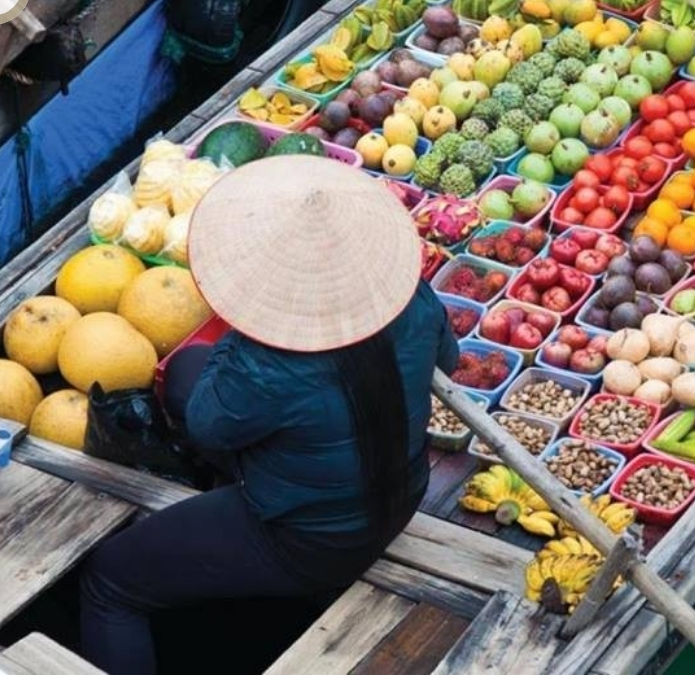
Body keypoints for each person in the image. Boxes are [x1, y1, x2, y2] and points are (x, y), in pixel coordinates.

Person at [79, 154, 459, 674]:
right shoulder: (411, 298)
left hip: (311, 540)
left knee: (108, 582)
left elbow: (210, 424)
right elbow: (447, 360)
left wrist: (246, 333)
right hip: (401, 490)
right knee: (189, 367)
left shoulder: (269, 362)